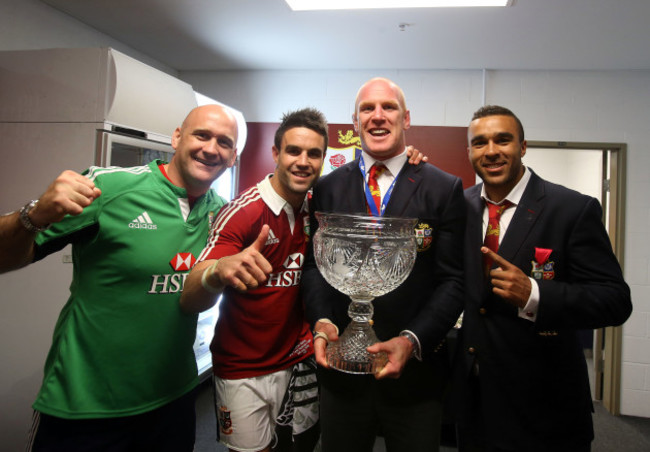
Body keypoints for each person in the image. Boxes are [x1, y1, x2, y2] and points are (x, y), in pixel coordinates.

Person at [0, 104, 239, 451]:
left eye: (224, 142)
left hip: (172, 403)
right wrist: (32, 215)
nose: (211, 148)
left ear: (233, 157)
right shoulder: (109, 188)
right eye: (201, 135)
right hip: (84, 408)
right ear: (176, 137)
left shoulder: (223, 215)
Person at [453, 105, 633, 452]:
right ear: (470, 152)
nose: (491, 151)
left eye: (503, 140)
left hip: (545, 406)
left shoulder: (572, 209)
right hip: (475, 402)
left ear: (522, 146)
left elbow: (615, 300)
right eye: (480, 143)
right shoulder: (459, 207)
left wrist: (535, 295)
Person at [301, 77, 466, 452]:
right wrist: (322, 321)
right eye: (367, 109)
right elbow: (314, 266)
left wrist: (412, 340)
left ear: (406, 119)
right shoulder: (326, 188)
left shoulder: (443, 188)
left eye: (388, 107)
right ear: (355, 123)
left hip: (415, 376)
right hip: (342, 369)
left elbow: (453, 280)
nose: (378, 117)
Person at [180, 107, 329, 452]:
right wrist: (219, 271)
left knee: (301, 446)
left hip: (298, 358)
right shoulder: (243, 211)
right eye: (293, 150)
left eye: (314, 153)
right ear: (276, 154)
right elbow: (189, 295)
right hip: (243, 367)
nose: (303, 161)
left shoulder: (317, 208)